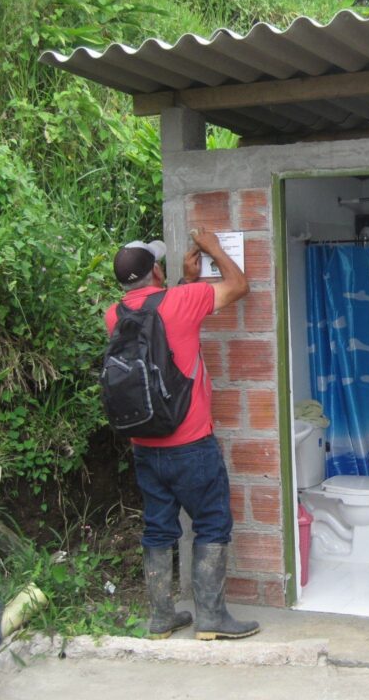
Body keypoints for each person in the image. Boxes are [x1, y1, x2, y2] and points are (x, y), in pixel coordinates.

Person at [105, 230, 259, 640]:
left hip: (144, 445)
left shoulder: (114, 315)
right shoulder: (181, 301)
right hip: (191, 444)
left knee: (158, 527)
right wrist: (214, 250)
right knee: (211, 523)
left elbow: (159, 321)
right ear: (156, 270)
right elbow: (239, 287)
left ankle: (161, 618)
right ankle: (211, 618)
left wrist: (185, 282)